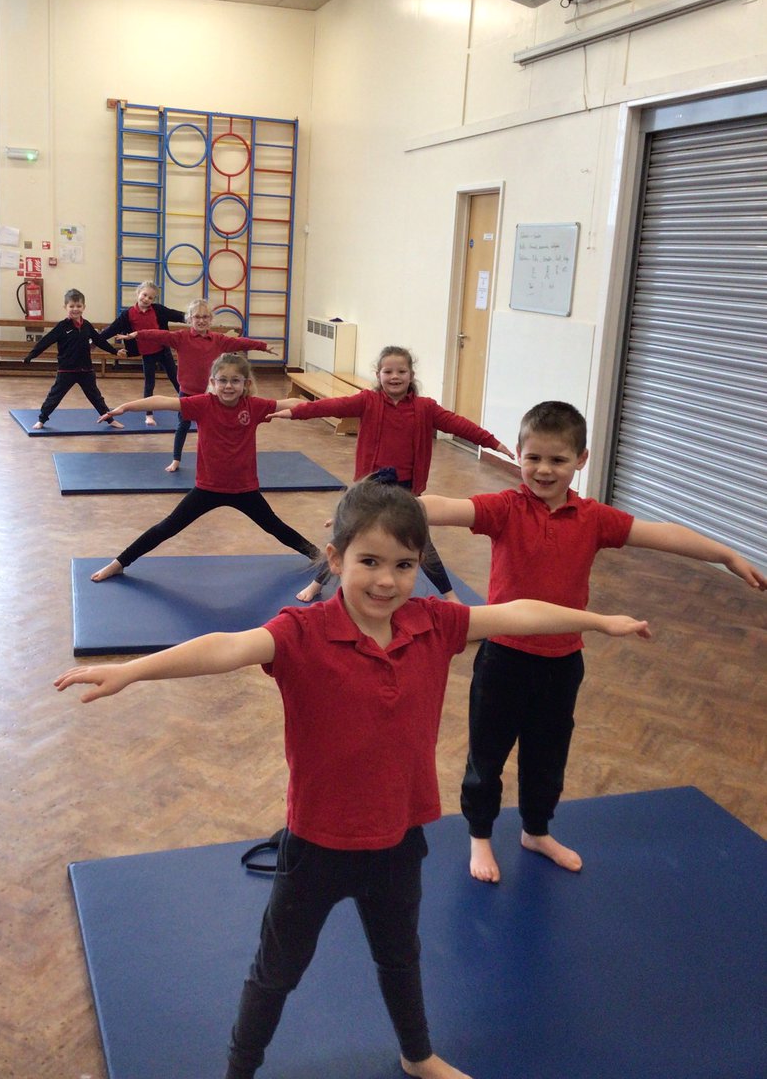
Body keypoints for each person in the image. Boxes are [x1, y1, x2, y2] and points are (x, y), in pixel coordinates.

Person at [56, 477, 651, 1079]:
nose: (386, 580)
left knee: (401, 960)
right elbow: (225, 646)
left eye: (404, 564)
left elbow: (518, 611)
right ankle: (239, 1071)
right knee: (276, 973)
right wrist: (132, 671)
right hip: (317, 846)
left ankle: (418, 1057)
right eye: (368, 561)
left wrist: (597, 620)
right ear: (335, 558)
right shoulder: (301, 633)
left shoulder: (434, 625)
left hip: (397, 842)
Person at [420, 400, 767, 885]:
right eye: (533, 457)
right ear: (517, 453)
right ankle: (480, 834)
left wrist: (726, 554)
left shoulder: (594, 518)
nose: (543, 470)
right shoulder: (505, 508)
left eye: (557, 460)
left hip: (562, 662)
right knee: (488, 754)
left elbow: (663, 535)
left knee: (548, 756)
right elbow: (445, 507)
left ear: (580, 460)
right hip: (503, 657)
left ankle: (536, 831)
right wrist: (391, 509)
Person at [269, 345, 514, 603]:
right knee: (346, 534)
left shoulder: (425, 408)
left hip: (405, 487)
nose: (394, 376)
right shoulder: (368, 401)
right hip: (371, 486)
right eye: (388, 371)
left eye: (401, 371)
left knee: (421, 541)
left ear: (411, 375)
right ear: (379, 374)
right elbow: (331, 406)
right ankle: (318, 583)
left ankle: (450, 595)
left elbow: (460, 425)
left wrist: (493, 443)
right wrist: (295, 412)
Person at [89, 353, 319, 582]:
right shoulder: (202, 404)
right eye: (223, 380)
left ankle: (319, 557)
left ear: (246, 384)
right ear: (212, 382)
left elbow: (288, 403)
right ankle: (119, 563)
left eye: (235, 380)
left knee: (276, 527)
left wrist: (324, 407)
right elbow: (163, 400)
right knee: (167, 527)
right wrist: (126, 408)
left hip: (244, 490)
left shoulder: (254, 406)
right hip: (207, 489)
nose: (228, 386)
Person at [118, 298, 275, 470]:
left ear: (210, 319)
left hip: (211, 395)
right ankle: (176, 460)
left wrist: (262, 346)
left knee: (213, 429)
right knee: (183, 426)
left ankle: (217, 459)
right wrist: (138, 334)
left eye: (205, 317)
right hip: (187, 392)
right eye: (197, 317)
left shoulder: (218, 340)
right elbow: (159, 334)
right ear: (189, 319)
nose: (201, 321)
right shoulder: (181, 337)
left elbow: (241, 342)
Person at [23, 288, 125, 430]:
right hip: (67, 370)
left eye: (78, 306)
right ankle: (41, 420)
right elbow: (45, 341)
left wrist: (114, 351)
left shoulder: (87, 326)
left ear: (84, 307)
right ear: (65, 307)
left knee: (96, 397)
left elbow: (100, 341)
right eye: (71, 306)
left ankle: (110, 420)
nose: (75, 309)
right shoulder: (62, 327)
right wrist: (31, 355)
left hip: (86, 370)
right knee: (54, 396)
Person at [99, 282, 186, 424]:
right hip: (148, 354)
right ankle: (149, 415)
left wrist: (195, 316)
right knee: (149, 384)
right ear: (138, 293)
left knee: (176, 379)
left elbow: (176, 315)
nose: (146, 299)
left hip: (163, 350)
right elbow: (112, 329)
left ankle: (187, 407)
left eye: (151, 298)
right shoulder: (128, 314)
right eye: (144, 295)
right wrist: (95, 342)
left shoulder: (158, 310)